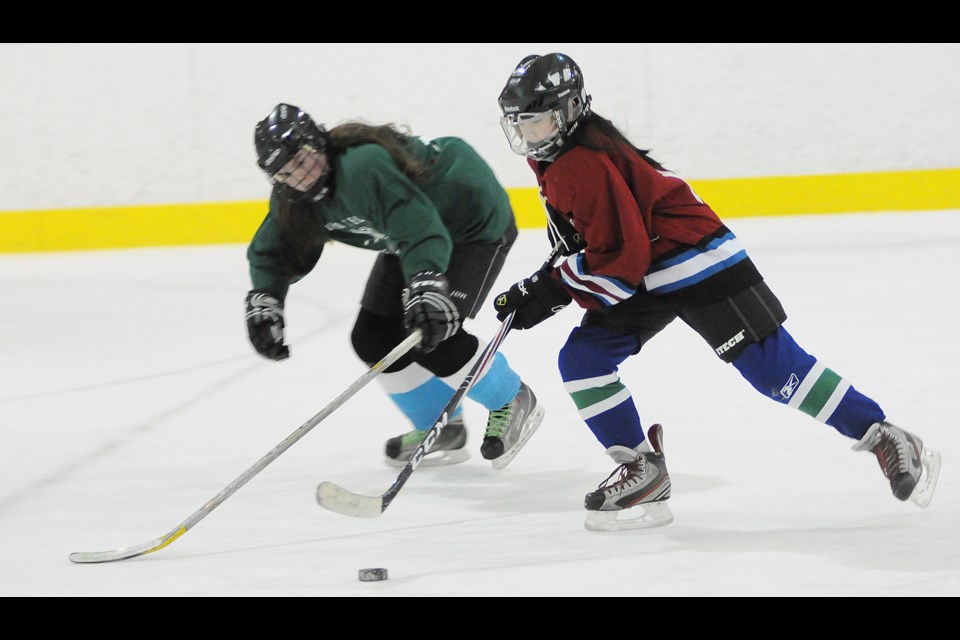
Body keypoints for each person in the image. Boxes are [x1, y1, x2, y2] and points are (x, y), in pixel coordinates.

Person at [492, 52, 941, 531]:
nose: (527, 135)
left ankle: (885, 436)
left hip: (695, 258)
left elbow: (620, 259)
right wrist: (542, 284)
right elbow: (604, 243)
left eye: (536, 122)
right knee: (583, 362)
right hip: (647, 270)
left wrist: (552, 289)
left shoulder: (582, 161)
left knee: (775, 371)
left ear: (568, 110)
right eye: (519, 124)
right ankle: (643, 470)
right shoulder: (562, 158)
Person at [244, 103, 544, 470]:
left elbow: (420, 227)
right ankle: (441, 426)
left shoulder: (361, 167)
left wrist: (426, 283)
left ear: (318, 142)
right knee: (372, 337)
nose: (301, 176)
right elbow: (276, 250)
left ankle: (512, 399)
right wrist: (266, 300)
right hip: (408, 235)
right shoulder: (295, 199)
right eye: (286, 172)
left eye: (302, 159)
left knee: (433, 333)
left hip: (470, 222)